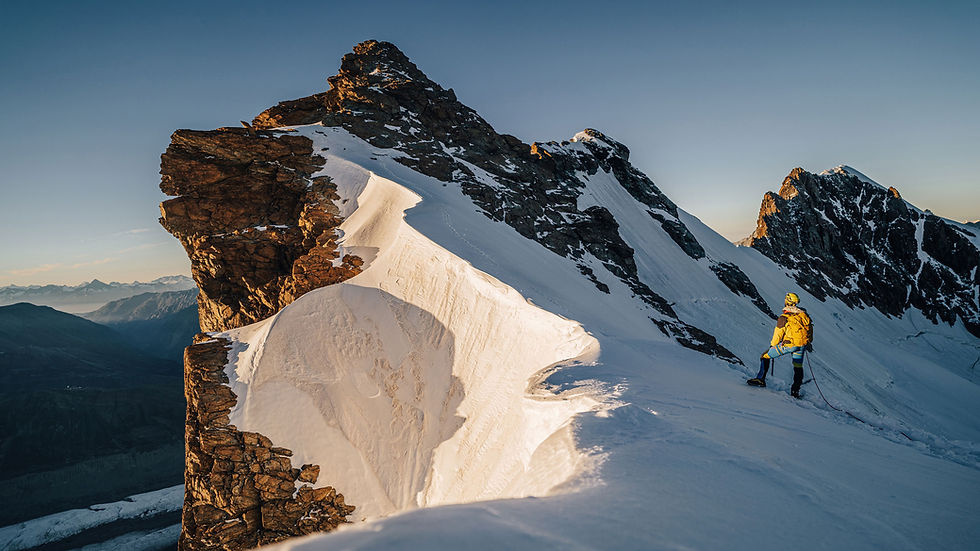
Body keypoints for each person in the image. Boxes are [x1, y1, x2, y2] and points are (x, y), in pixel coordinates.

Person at [747, 292, 813, 398]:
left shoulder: (784, 317)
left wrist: (773, 345)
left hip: (789, 345)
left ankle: (760, 379)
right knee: (798, 367)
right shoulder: (803, 315)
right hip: (801, 345)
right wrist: (807, 342)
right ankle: (795, 391)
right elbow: (810, 330)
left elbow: (778, 334)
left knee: (765, 356)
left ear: (788, 301)